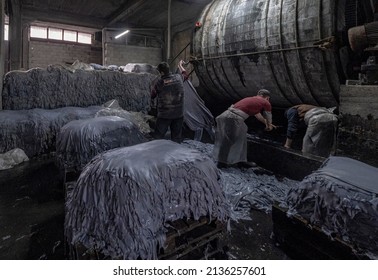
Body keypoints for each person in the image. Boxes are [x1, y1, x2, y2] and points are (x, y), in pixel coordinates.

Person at [213, 89, 275, 168]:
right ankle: (221, 162)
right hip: (234, 118)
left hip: (228, 115)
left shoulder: (252, 100)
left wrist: (267, 123)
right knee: (229, 140)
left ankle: (241, 160)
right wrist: (269, 126)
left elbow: (258, 115)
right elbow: (268, 115)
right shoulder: (266, 102)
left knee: (241, 138)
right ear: (267, 98)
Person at [151, 60, 188, 143]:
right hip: (178, 114)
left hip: (164, 115)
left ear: (162, 73)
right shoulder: (179, 77)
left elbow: (152, 95)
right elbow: (185, 75)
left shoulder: (159, 83)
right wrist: (180, 65)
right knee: (176, 139)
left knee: (158, 138)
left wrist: (154, 84)